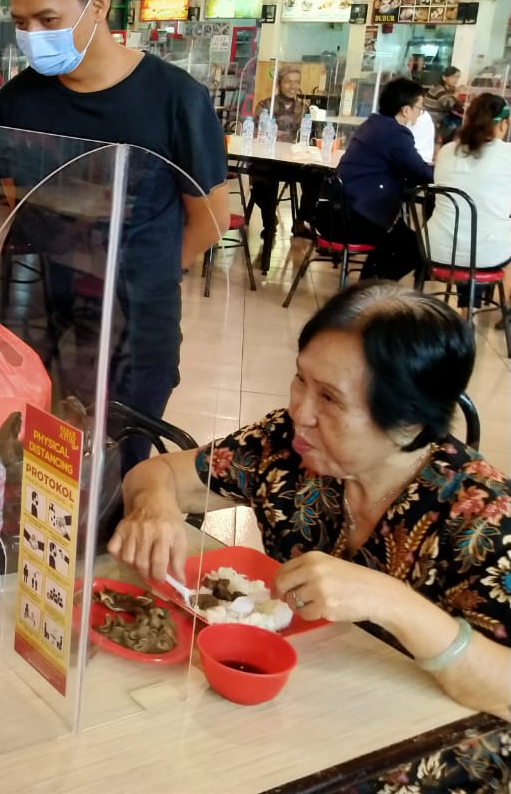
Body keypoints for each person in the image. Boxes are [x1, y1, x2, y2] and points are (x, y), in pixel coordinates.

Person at [108, 281, 510, 794]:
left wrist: (394, 603)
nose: (300, 409)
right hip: (309, 700)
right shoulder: (288, 446)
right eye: (301, 380)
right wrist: (155, 507)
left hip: (428, 743)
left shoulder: (480, 516)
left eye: (329, 398)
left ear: (408, 423)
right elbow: (162, 473)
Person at [0, 0, 229, 473]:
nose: (32, 35)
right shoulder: (18, 102)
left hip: (133, 329)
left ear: (98, 3)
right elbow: (11, 207)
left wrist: (141, 279)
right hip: (36, 318)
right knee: (26, 471)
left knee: (103, 478)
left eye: (49, 20)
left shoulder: (174, 100)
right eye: (21, 22)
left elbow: (211, 218)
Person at [334, 78, 433, 281]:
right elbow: (420, 172)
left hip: (338, 210)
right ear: (406, 110)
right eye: (419, 108)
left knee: (399, 239)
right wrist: (445, 171)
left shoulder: (372, 124)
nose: (419, 114)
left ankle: (366, 289)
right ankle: (369, 292)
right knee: (415, 247)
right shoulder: (395, 134)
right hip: (358, 218)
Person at [427, 92, 511, 272]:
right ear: (504, 124)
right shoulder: (507, 154)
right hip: (487, 254)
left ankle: (468, 296)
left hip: (436, 248)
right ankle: (489, 299)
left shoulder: (447, 150)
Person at [249, 66, 316, 263]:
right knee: (261, 180)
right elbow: (255, 132)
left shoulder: (304, 109)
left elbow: (308, 136)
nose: (293, 86)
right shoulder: (265, 105)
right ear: (279, 84)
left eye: (296, 81)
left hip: (293, 161)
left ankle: (301, 221)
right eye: (289, 81)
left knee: (315, 177)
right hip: (268, 158)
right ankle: (269, 222)